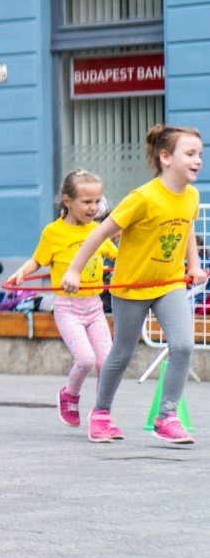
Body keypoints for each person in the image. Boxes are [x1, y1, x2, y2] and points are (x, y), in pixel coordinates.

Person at [65, 125, 204, 444]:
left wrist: (194, 265)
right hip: (131, 286)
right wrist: (74, 270)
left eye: (200, 154)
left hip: (168, 284)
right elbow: (99, 233)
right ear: (166, 157)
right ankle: (101, 413)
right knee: (122, 353)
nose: (198, 160)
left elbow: (187, 231)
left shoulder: (192, 196)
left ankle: (167, 416)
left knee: (184, 345)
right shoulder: (142, 198)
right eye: (190, 153)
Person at [5, 170, 118, 429]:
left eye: (97, 201)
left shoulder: (98, 230)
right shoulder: (53, 232)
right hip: (68, 309)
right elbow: (38, 260)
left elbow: (117, 256)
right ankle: (70, 394)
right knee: (86, 359)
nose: (94, 208)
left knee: (106, 362)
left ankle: (101, 414)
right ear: (67, 201)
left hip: (95, 307)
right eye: (87, 202)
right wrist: (22, 272)